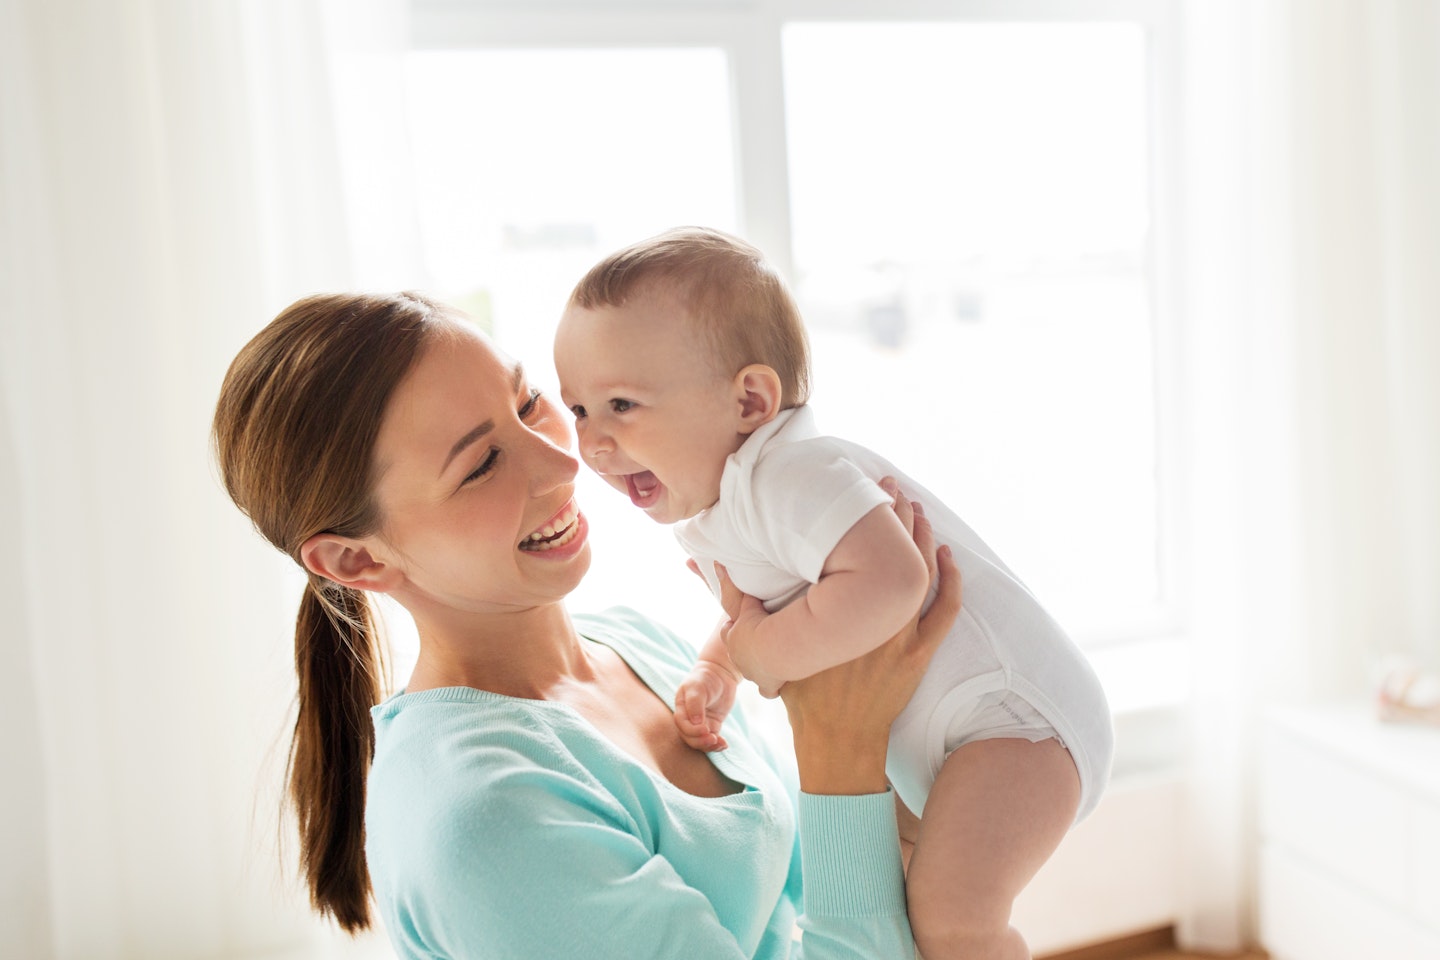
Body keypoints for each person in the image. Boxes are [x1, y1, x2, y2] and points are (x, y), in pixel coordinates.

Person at [210, 291, 960, 959]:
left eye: (531, 401)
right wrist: (840, 745)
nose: (562, 463)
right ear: (354, 560)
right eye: (480, 465)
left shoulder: (632, 644)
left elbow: (815, 893)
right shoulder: (488, 824)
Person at [553, 227, 1115, 960]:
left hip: (1015, 724)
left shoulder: (793, 474)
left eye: (622, 405)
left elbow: (890, 580)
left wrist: (760, 649)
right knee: (901, 904)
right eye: (578, 411)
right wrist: (720, 666)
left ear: (751, 400)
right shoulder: (726, 507)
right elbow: (777, 607)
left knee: (953, 920)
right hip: (954, 736)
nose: (593, 442)